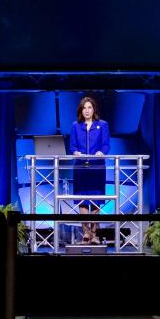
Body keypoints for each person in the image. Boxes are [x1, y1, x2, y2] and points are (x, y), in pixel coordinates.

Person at [69, 95, 110, 243]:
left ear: (94, 109)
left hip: (97, 167)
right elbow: (72, 145)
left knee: (95, 199)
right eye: (84, 108)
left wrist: (101, 152)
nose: (87, 110)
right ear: (81, 110)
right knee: (82, 199)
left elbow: (106, 145)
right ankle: (85, 232)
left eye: (89, 107)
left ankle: (94, 233)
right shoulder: (76, 125)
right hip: (81, 166)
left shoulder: (102, 125)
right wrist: (75, 152)